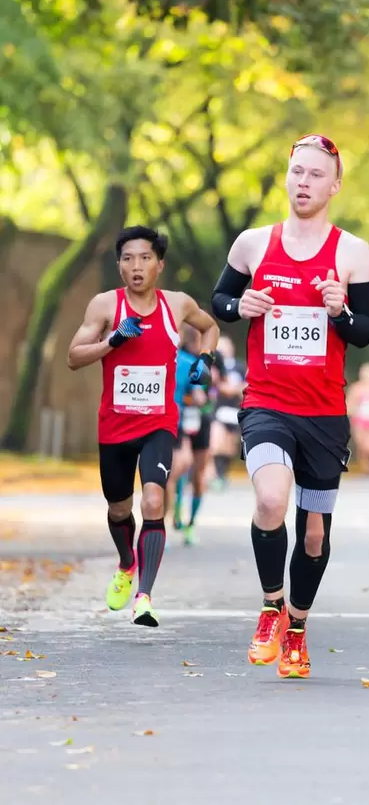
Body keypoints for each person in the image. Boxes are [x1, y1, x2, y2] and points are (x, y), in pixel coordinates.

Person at [211, 134, 369, 678]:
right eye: (296, 172)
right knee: (269, 501)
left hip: (324, 414)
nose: (303, 182)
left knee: (314, 535)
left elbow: (365, 331)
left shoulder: (352, 252)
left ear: (335, 185)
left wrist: (339, 311)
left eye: (315, 174)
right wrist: (241, 304)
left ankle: (298, 630)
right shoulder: (253, 244)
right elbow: (220, 300)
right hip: (267, 404)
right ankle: (270, 608)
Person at [67, 226, 219, 627]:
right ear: (119, 265)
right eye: (128, 258)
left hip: (158, 423)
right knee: (119, 508)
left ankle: (145, 597)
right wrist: (112, 341)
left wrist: (206, 359)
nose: (136, 266)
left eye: (145, 258)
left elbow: (210, 327)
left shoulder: (178, 304)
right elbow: (73, 357)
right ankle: (126, 563)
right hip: (115, 427)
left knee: (153, 500)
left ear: (159, 265)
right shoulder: (105, 305)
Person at [168, 326, 221, 545]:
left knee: (194, 472)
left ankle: (187, 521)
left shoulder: (211, 359)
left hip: (199, 420)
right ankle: (181, 516)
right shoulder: (183, 360)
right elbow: (200, 394)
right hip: (182, 420)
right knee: (181, 468)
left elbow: (213, 389)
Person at [210, 336, 246, 491]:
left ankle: (222, 474)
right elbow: (216, 385)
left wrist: (235, 389)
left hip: (235, 411)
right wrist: (229, 388)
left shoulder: (239, 366)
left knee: (229, 447)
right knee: (216, 443)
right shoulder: (215, 366)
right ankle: (215, 476)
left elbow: (246, 385)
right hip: (219, 410)